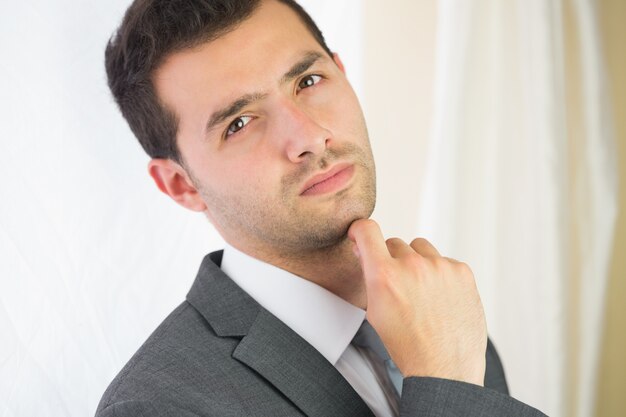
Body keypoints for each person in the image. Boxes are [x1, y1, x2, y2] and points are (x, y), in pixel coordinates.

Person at [96, 0, 547, 416]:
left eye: (308, 81)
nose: (309, 137)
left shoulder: (443, 314)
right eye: (239, 123)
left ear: (343, 74)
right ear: (180, 185)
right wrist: (449, 388)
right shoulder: (157, 405)